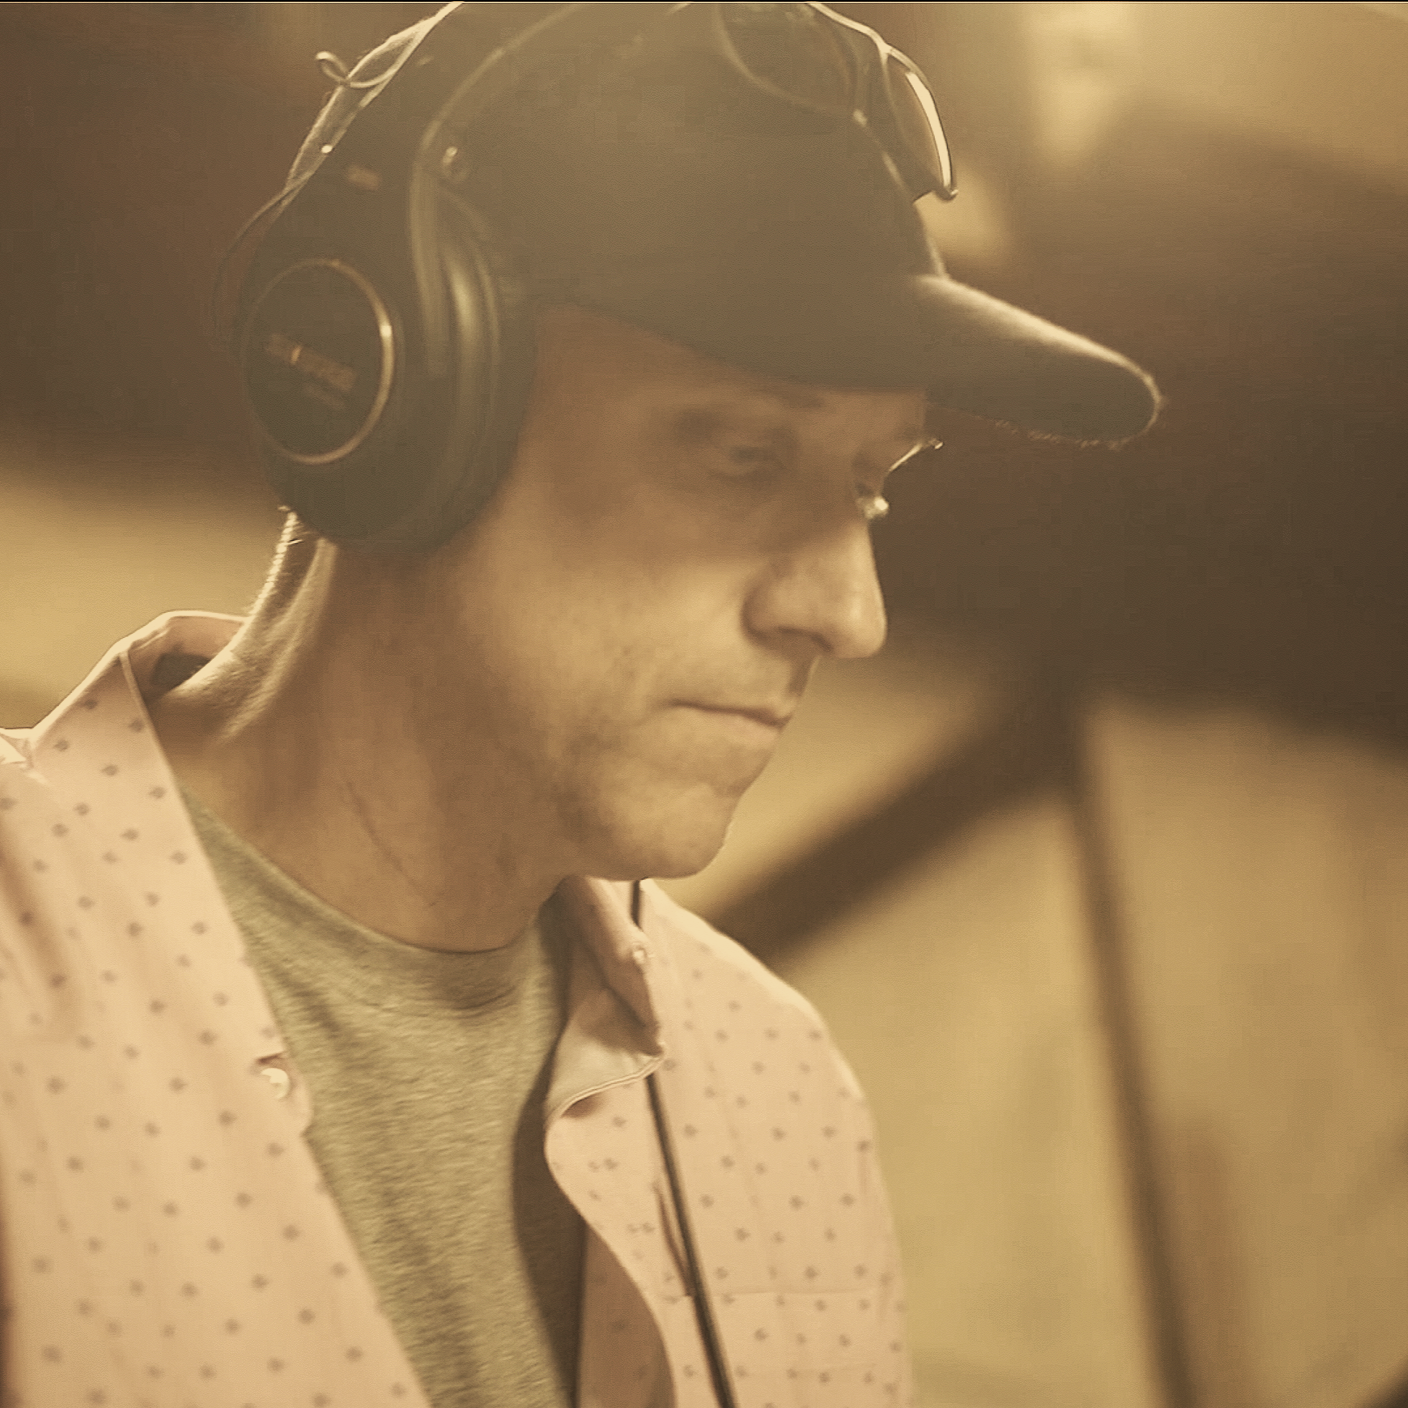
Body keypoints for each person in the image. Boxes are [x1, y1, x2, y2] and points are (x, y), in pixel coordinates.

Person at [0, 3, 1158, 1405]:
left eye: (869, 485)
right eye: (741, 454)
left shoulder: (776, 1093)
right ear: (396, 395)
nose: (848, 614)